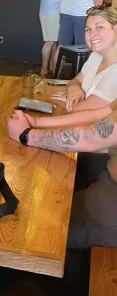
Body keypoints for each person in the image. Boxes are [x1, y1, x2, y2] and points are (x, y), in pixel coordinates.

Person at [7, 105, 117, 249]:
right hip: (109, 172)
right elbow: (102, 114)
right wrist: (37, 123)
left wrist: (27, 135)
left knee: (40, 230)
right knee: (40, 197)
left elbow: (92, 138)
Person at [34, 5, 117, 123]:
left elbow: (81, 111)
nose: (92, 34)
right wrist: (74, 90)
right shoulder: (96, 56)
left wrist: (70, 100)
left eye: (99, 27)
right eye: (88, 29)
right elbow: (74, 81)